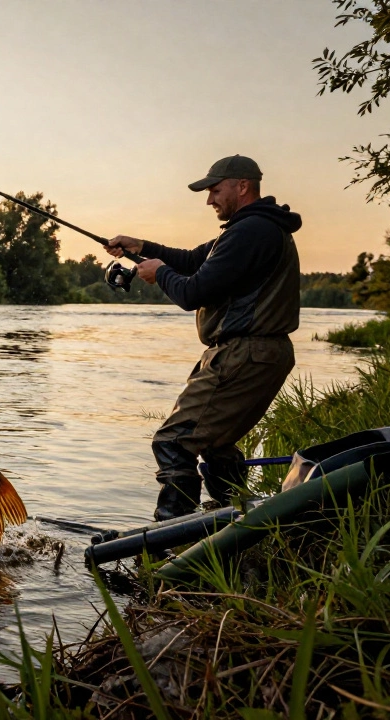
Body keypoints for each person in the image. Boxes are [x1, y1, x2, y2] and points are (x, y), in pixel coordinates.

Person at [107, 155, 302, 521]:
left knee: (173, 441)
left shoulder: (251, 231)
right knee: (216, 445)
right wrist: (140, 247)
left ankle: (174, 537)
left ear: (241, 186)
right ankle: (237, 522)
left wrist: (159, 273)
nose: (209, 200)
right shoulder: (252, 229)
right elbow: (194, 259)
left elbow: (192, 292)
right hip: (256, 353)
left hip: (246, 353)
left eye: (215, 190)